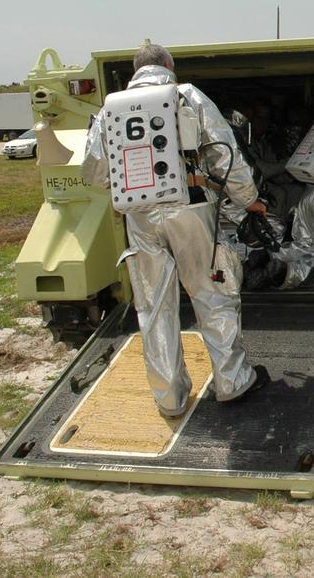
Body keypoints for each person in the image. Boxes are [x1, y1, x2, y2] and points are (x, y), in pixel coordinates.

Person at [82, 42, 269, 417]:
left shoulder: (109, 108)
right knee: (211, 293)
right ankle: (232, 381)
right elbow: (223, 150)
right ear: (169, 65)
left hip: (139, 218)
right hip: (191, 210)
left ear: (136, 71)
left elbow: (94, 172)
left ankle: (169, 398)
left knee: (153, 308)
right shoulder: (186, 96)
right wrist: (248, 198)